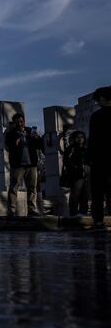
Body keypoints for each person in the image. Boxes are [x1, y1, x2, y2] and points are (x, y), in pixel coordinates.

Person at [4, 112, 44, 217]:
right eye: (17, 122)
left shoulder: (30, 131)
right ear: (14, 123)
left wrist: (38, 139)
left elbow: (40, 145)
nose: (20, 124)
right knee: (14, 187)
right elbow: (8, 145)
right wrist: (15, 143)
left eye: (21, 121)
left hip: (31, 164)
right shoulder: (11, 134)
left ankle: (31, 209)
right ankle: (11, 210)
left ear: (24, 121)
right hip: (18, 165)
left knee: (32, 187)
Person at [89, 86, 111, 230]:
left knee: (97, 192)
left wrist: (89, 159)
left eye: (99, 99)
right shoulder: (96, 116)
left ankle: (98, 221)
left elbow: (92, 140)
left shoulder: (96, 116)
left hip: (99, 159)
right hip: (103, 159)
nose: (97, 102)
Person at [62, 131, 90, 217]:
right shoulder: (70, 149)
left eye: (82, 137)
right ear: (74, 138)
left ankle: (83, 213)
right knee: (75, 196)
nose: (80, 139)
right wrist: (75, 168)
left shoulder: (86, 149)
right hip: (76, 176)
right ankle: (73, 214)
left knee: (85, 196)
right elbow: (66, 161)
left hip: (86, 175)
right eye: (78, 137)